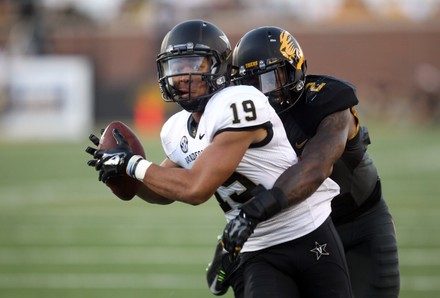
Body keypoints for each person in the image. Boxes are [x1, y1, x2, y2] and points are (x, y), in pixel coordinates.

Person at [86, 20, 353, 297]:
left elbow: (194, 188)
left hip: (307, 231)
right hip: (253, 247)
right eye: (175, 67)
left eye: (193, 65)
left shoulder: (238, 102)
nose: (181, 77)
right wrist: (123, 174)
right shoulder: (177, 128)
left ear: (219, 67)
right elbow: (164, 190)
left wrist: (132, 164)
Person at [207, 26, 400, 297]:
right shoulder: (244, 119)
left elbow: (316, 168)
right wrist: (233, 238)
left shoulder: (326, 100)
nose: (264, 93)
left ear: (295, 69)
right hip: (294, 232)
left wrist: (249, 217)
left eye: (272, 78)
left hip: (357, 222)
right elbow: (242, 181)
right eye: (252, 84)